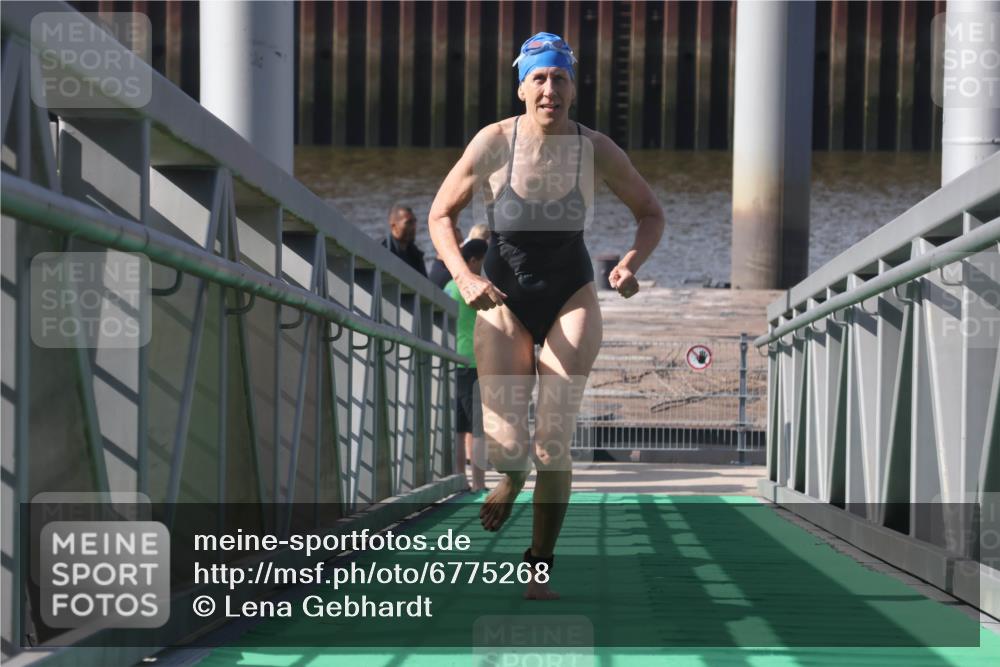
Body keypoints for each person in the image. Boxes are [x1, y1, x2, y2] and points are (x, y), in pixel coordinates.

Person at [428, 31, 664, 600]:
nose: (550, 89)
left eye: (559, 78)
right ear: (521, 87)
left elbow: (650, 213)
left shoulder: (596, 148)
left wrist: (631, 264)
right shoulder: (493, 142)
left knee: (553, 440)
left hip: (571, 293)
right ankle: (510, 478)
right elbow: (441, 214)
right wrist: (465, 276)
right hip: (503, 297)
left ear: (573, 87)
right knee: (508, 442)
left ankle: (539, 566)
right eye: (539, 78)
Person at [444, 239, 490, 493]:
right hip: (474, 361)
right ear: (472, 260)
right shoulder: (475, 286)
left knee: (459, 428)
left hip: (453, 359)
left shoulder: (449, 286)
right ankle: (479, 483)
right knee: (479, 429)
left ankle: (459, 478)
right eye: (483, 261)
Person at [382, 205, 427, 277]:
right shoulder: (384, 253)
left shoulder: (415, 254)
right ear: (394, 226)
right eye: (408, 223)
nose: (413, 227)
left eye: (414, 222)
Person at [429, 223, 463, 288]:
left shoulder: (438, 267)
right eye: (457, 242)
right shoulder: (446, 275)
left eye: (462, 241)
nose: (462, 246)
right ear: (443, 245)